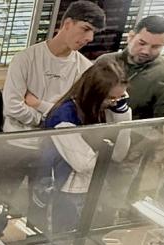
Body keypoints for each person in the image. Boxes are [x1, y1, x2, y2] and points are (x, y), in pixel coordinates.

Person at [40, 59, 132, 233]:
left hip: (95, 185)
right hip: (67, 189)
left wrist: (122, 114)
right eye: (111, 98)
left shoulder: (106, 110)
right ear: (93, 94)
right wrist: (106, 150)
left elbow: (119, 154)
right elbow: (84, 164)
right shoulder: (64, 116)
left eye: (120, 97)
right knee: (62, 237)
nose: (114, 102)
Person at [3, 0, 105, 134]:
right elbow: (12, 107)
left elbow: (77, 113)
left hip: (56, 141)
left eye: (94, 33)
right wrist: (52, 119)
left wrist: (37, 104)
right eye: (85, 29)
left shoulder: (85, 68)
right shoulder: (24, 59)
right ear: (67, 24)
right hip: (17, 138)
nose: (90, 38)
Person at [97, 16, 164, 119]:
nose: (145, 51)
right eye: (142, 43)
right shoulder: (104, 61)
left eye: (155, 47)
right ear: (131, 36)